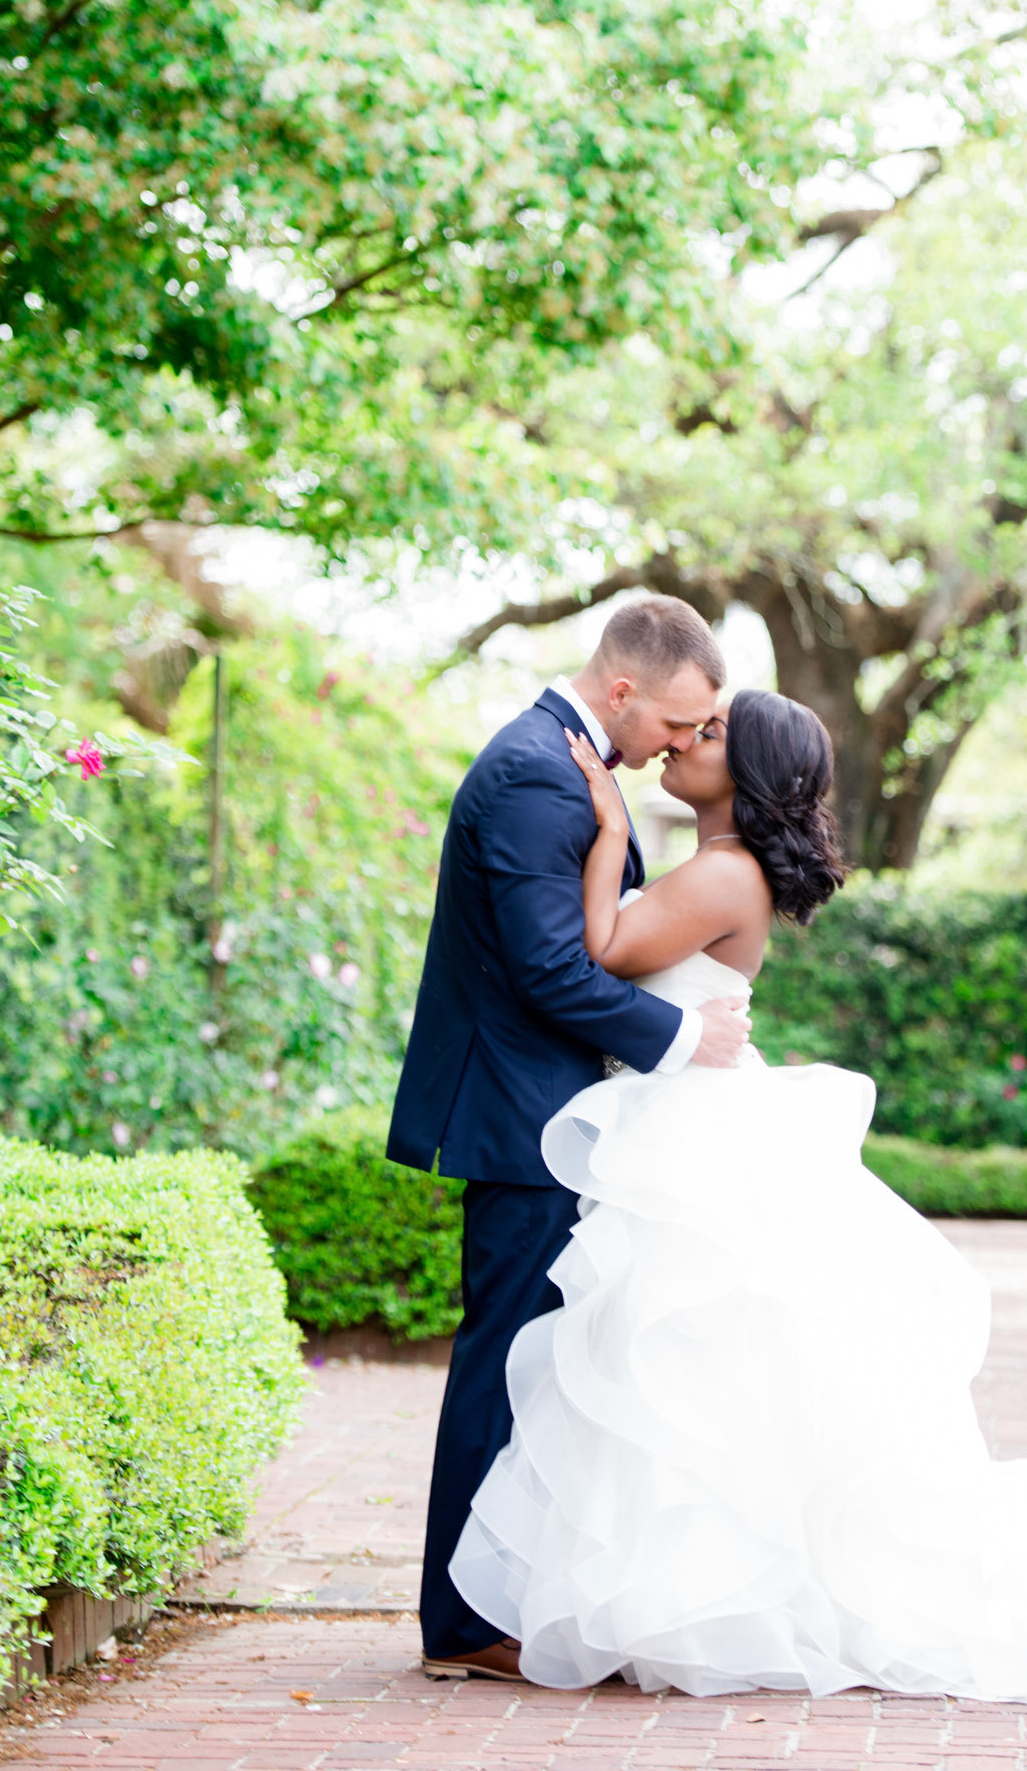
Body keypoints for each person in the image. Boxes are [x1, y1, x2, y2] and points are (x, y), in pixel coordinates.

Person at [449, 687, 1027, 1709]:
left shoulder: (723, 872)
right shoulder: (716, 866)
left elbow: (597, 951)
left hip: (694, 1135)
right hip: (684, 1123)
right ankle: (679, 1586)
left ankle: (703, 1588)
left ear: (750, 774)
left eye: (713, 733)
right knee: (696, 1369)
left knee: (684, 1356)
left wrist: (606, 827)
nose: (685, 741)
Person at [388, 597, 753, 1681]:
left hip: (549, 1112)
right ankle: (459, 1622)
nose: (680, 746)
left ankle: (503, 1595)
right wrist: (684, 1037)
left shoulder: (566, 769)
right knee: (501, 1362)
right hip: (518, 1118)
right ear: (623, 688)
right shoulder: (535, 773)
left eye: (701, 732)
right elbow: (551, 969)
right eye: (676, 722)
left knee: (537, 1362)